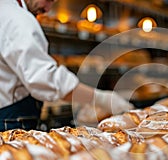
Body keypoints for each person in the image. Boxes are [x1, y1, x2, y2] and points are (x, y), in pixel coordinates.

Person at [0, 0, 133, 131]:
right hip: (10, 119)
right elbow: (45, 79)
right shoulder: (18, 20)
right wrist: (100, 98)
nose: (47, 9)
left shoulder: (5, 11)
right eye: (48, 0)